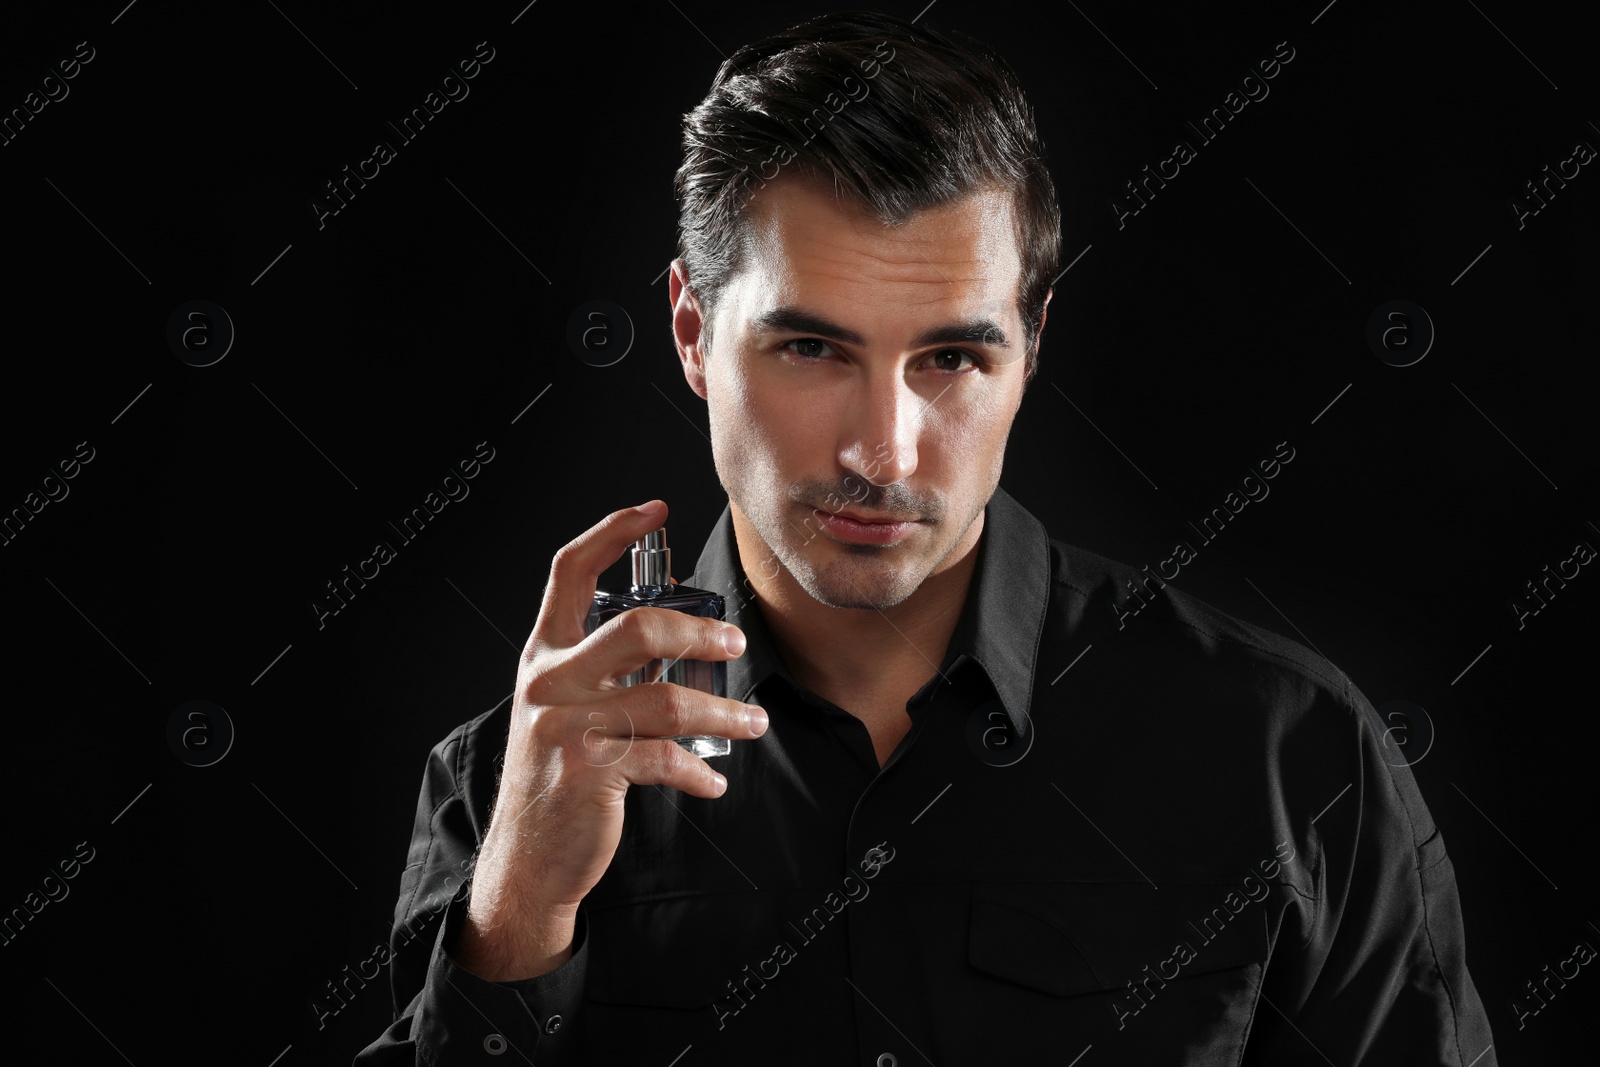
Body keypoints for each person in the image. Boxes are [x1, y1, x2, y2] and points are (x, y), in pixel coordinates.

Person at [357, 10, 1496, 1064]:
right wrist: (513, 924)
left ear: (1030, 347)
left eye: (950, 358)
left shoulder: (1291, 759)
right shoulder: (511, 782)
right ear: (694, 332)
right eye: (811, 348)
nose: (884, 454)